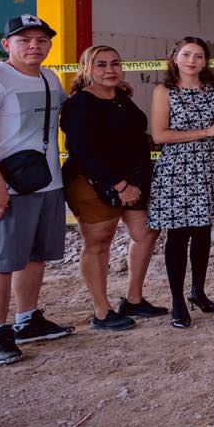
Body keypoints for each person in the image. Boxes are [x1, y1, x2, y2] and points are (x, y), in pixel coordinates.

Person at [0, 15, 74, 365]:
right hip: (6, 189)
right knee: (1, 262)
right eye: (24, 40)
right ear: (6, 44)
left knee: (35, 256)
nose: (34, 46)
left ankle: (28, 320)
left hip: (47, 183)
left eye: (41, 40)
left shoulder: (49, 77)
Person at [61, 45, 165, 332]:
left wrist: (137, 182)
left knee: (146, 233)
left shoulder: (121, 98)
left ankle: (133, 299)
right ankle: (102, 310)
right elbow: (84, 152)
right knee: (98, 242)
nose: (110, 69)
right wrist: (119, 185)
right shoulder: (79, 104)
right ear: (87, 69)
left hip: (133, 180)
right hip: (92, 181)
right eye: (101, 65)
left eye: (115, 64)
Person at [148, 37, 214, 329]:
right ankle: (177, 301)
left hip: (209, 167)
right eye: (186, 55)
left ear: (206, 61)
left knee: (202, 232)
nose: (192, 61)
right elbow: (160, 135)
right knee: (178, 235)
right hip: (178, 171)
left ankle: (198, 291)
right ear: (175, 58)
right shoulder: (164, 90)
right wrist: (207, 132)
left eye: (198, 56)